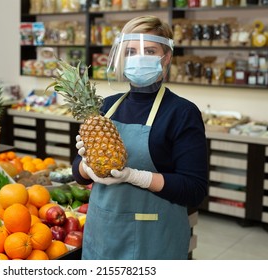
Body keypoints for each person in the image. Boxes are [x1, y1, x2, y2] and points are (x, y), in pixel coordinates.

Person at [72, 15, 209, 260]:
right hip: (101, 235)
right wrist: (85, 165)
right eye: (132, 51)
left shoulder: (182, 112)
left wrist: (136, 177)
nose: (139, 57)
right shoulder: (106, 107)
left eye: (150, 50)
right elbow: (77, 174)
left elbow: (194, 190)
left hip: (153, 241)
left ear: (165, 57)